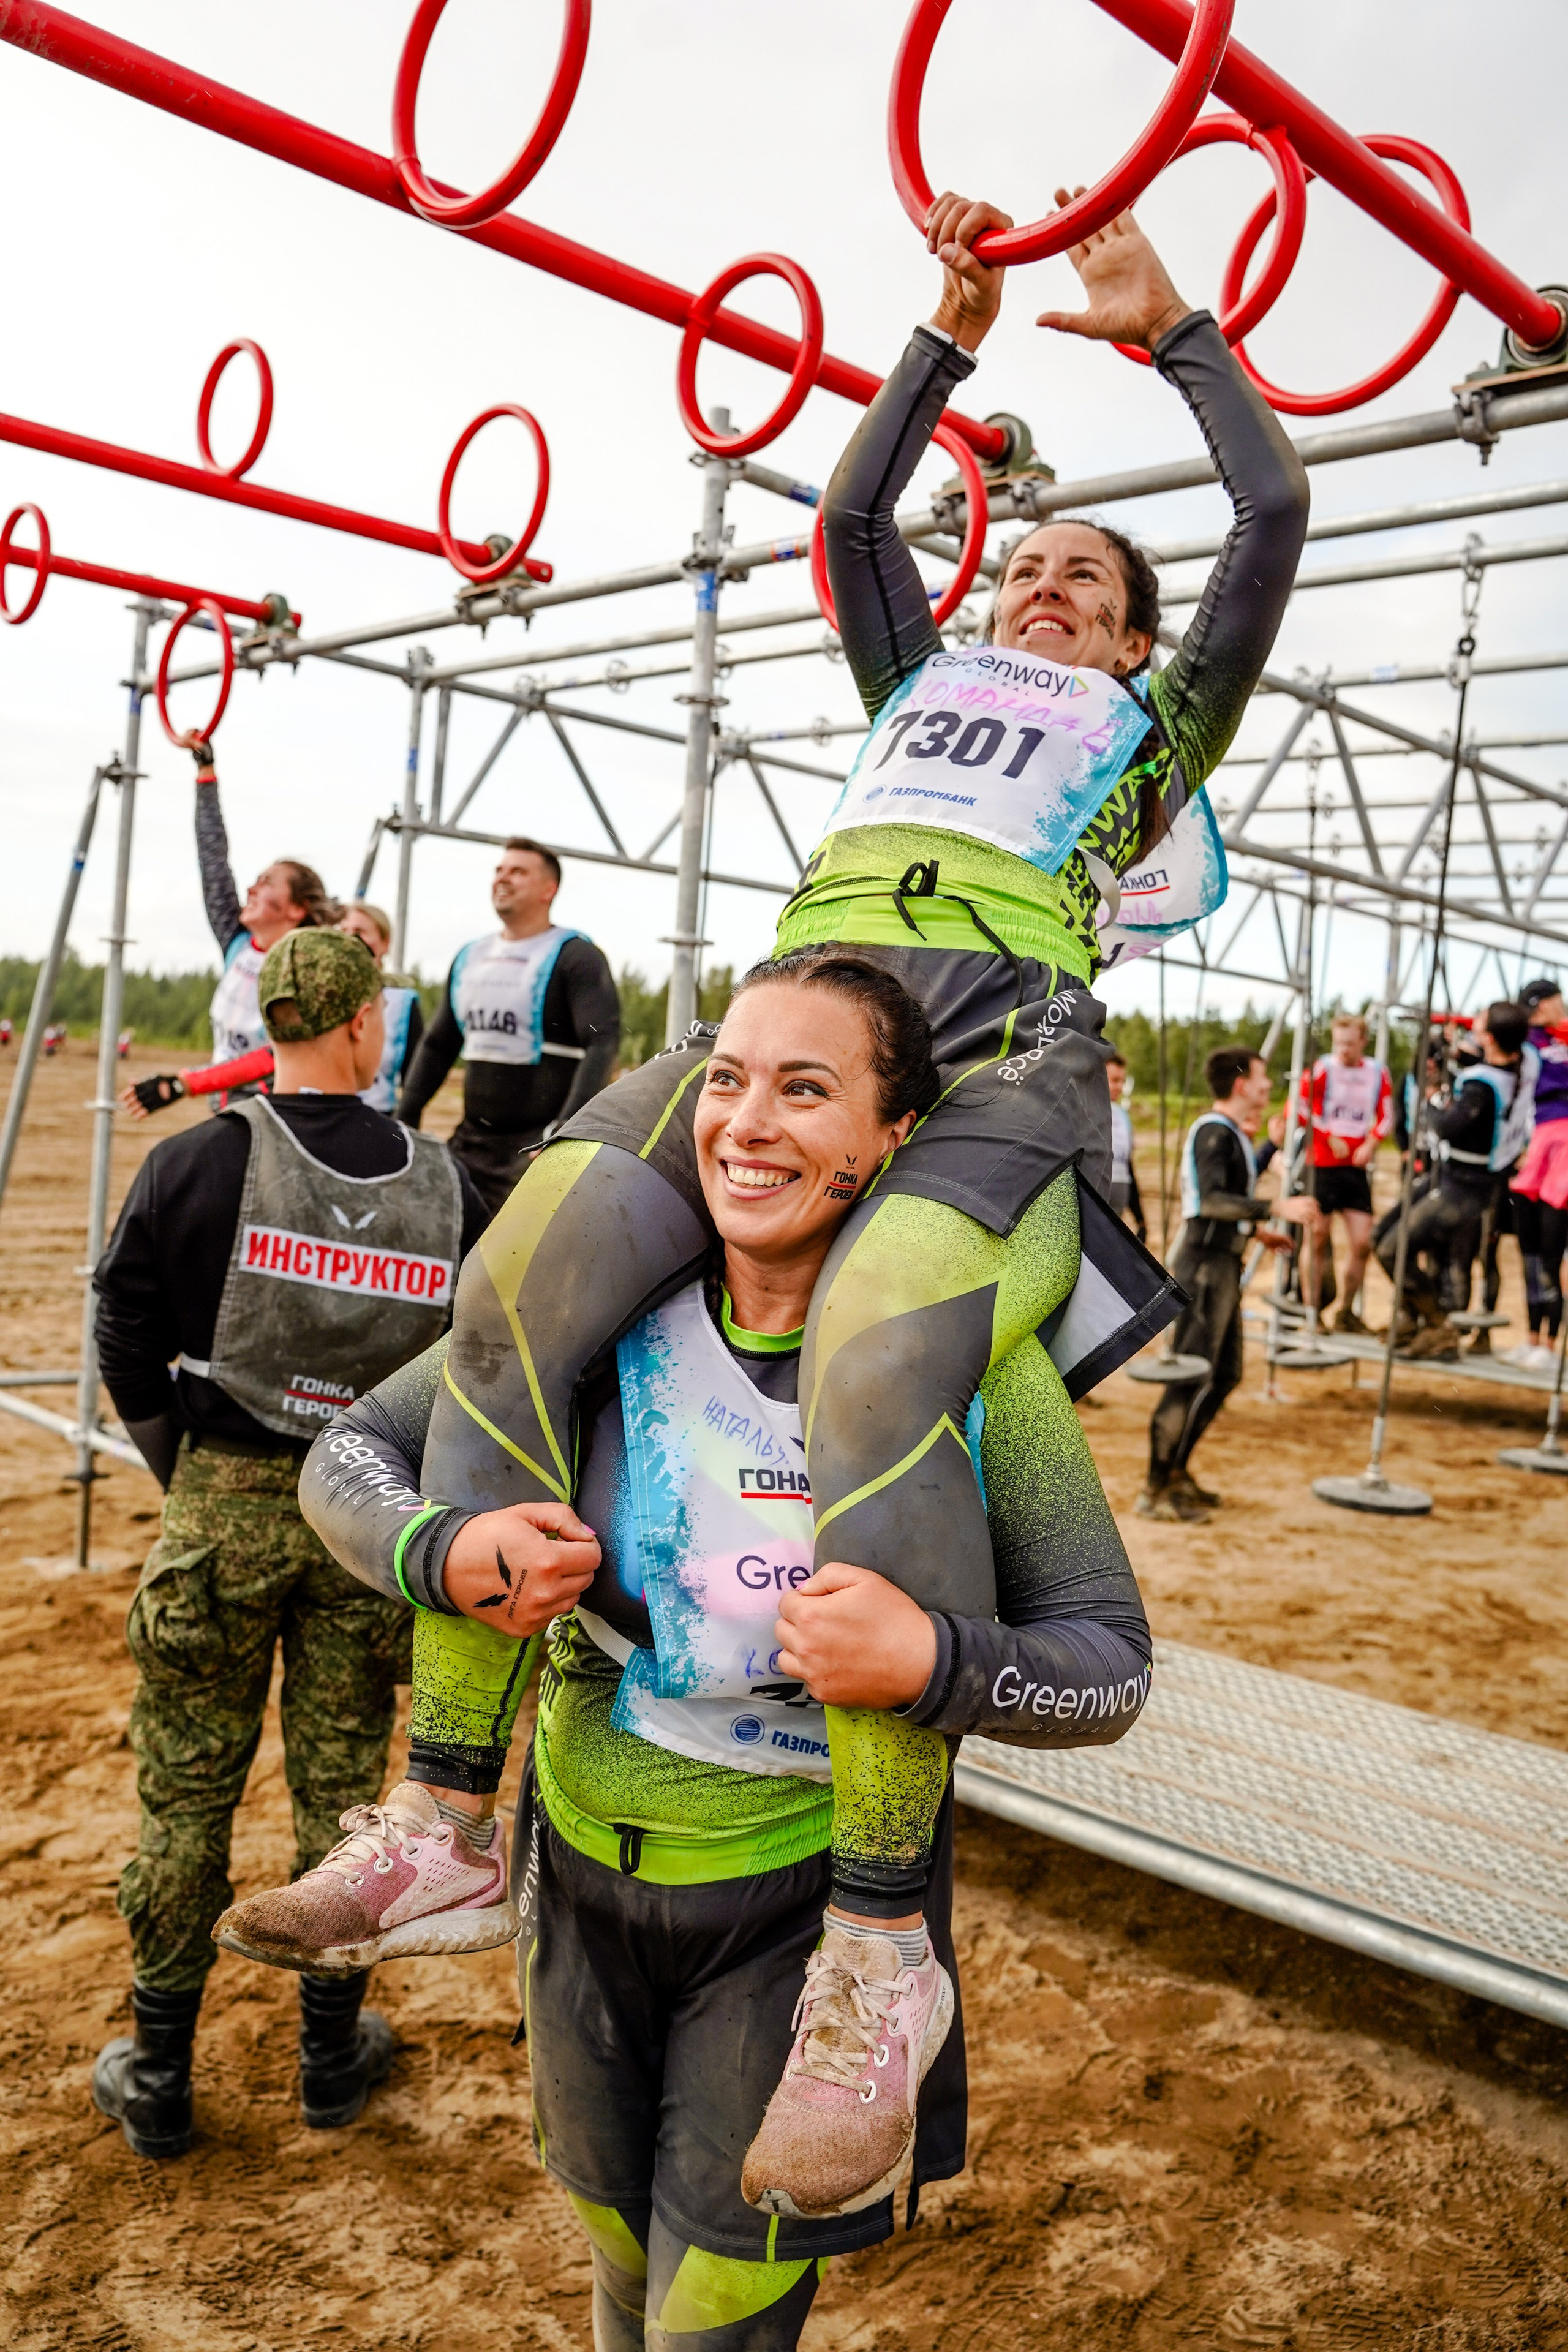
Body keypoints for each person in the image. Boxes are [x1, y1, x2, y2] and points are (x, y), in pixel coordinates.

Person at [394, 184, 1305, 2212]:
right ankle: (451, 1802)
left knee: (890, 1328)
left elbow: (1270, 526)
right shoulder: (917, 691)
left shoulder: (1144, 750)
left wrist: (1172, 330)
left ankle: (883, 1944)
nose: (1047, 590)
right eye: (1033, 569)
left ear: (1135, 646)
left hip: (999, 1049)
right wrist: (947, 327)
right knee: (527, 1259)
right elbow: (848, 526)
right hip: (809, 1012)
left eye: (1086, 582)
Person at [217, 949, 1152, 2343]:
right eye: (724, 1081)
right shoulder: (599, 1324)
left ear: (892, 1139)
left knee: (715, 2299)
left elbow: (1109, 1664)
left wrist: (932, 1659)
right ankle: (444, 1845)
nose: (745, 1121)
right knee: (606, 2238)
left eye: (803, 1089)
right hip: (582, 1870)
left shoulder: (963, 1361)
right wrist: (444, 1551)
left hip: (795, 1916)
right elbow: (351, 1454)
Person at [89, 929, 489, 2160]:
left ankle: (158, 2070)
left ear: (270, 1023)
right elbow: (479, 1364)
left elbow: (123, 1325)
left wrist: (185, 1471)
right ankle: (329, 2055)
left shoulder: (196, 1162)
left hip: (225, 1498)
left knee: (185, 1796)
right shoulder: (448, 1182)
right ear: (366, 1026)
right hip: (371, 1517)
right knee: (345, 1790)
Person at [1138, 1046, 1322, 1521]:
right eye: (1262, 1078)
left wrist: (1254, 1228)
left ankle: (1176, 1472)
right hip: (1202, 1265)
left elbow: (1224, 1198)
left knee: (1224, 1375)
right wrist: (1275, 1209)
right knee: (1189, 1378)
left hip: (1222, 1262)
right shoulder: (1213, 1131)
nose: (1268, 1087)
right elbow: (1214, 1199)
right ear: (1242, 1084)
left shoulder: (1231, 1133)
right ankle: (1155, 1490)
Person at [395, 837, 621, 1218]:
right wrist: (406, 1117)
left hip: (533, 1153)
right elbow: (438, 1045)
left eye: (518, 871)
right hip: (470, 1146)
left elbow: (603, 1043)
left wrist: (563, 1133)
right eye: (499, 870)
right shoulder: (471, 956)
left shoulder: (576, 956)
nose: (503, 878)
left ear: (549, 889)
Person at [121, 899, 425, 1125]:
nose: (349, 938)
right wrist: (184, 1083)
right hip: (312, 1121)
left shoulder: (402, 1002)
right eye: (342, 930)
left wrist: (404, 1134)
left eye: (359, 932)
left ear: (384, 942)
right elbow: (270, 1058)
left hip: (376, 1122)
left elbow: (419, 1076)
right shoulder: (315, 995)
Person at [1378, 1002, 1534, 1360]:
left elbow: (1447, 1128)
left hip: (1464, 1183)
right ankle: (1416, 1318)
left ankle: (1436, 1326)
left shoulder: (1483, 1084)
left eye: (1479, 1024)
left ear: (1490, 1037)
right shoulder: (1520, 1066)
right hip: (1457, 1178)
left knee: (1392, 1250)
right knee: (1382, 1239)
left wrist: (1432, 1097)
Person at [1295, 1013, 1390, 1334]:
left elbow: (1387, 1114)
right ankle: (1312, 1314)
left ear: (1363, 1041)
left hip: (1355, 1168)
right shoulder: (1323, 1068)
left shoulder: (1377, 1072)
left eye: (1350, 1043)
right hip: (1321, 1165)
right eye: (1339, 1043)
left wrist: (1373, 1142)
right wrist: (1326, 1135)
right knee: (1317, 1237)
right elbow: (1303, 1105)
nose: (1344, 1050)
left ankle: (1347, 1311)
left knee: (1363, 1242)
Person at [1507, 979, 1568, 1368]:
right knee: (1528, 1250)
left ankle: (1549, 1343)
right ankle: (1531, 1339)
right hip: (1528, 1153)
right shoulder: (1527, 1040)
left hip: (1561, 1152)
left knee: (1552, 1251)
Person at [1107, 1047, 1145, 1239]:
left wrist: (1140, 1219)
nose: (1120, 1086)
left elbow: (1128, 1167)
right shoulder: (1085, 1112)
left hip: (1117, 1211)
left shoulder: (1123, 1117)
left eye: (1122, 1081)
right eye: (1114, 1080)